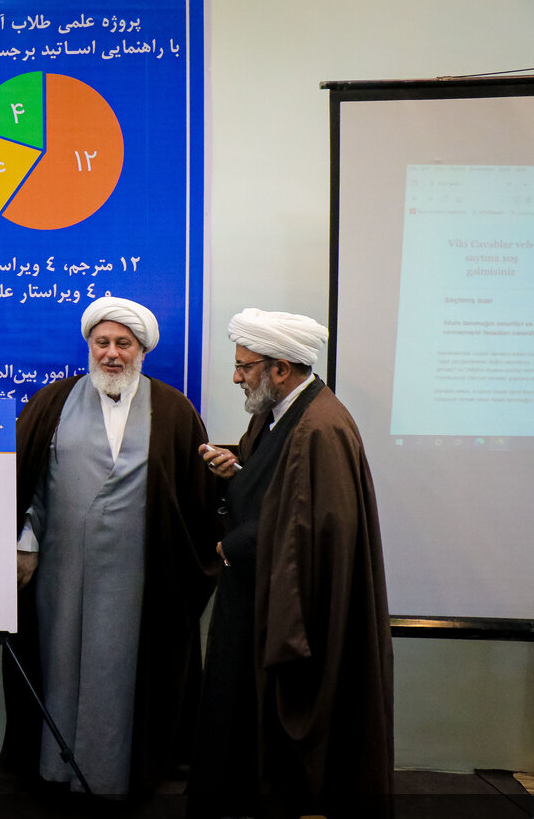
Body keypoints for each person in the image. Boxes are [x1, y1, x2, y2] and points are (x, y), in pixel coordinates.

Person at [4, 296, 220, 799]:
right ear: (89, 346)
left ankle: (114, 776)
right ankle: (56, 770)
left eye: (124, 344)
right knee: (59, 668)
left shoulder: (173, 410)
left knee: (119, 674)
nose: (112, 353)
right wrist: (25, 545)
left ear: (142, 349)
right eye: (102, 342)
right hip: (59, 573)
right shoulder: (52, 402)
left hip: (139, 576)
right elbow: (27, 485)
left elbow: (196, 497)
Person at [188, 308, 394, 819]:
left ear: (280, 368)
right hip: (254, 596)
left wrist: (232, 546)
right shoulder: (280, 414)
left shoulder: (320, 428)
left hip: (286, 609)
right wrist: (238, 471)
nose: (236, 377)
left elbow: (312, 529)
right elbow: (283, 494)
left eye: (244, 366)